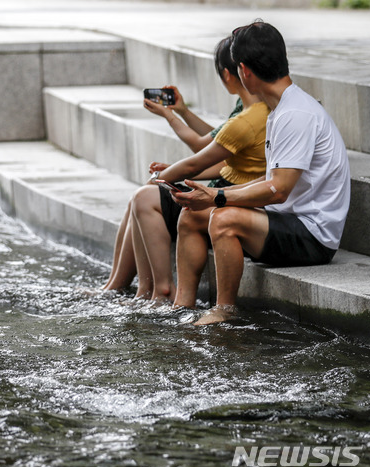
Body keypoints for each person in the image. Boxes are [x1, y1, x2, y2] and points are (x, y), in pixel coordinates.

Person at [172, 21, 350, 325]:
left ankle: (224, 312)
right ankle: (182, 307)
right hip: (287, 218)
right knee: (191, 215)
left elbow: (278, 190)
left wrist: (217, 197)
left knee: (223, 218)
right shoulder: (282, 108)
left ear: (244, 71)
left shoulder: (295, 113)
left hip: (313, 236)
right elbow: (272, 179)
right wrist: (212, 195)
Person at [102, 35, 268, 302]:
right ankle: (116, 286)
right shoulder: (246, 108)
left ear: (230, 74)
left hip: (226, 198)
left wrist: (169, 119)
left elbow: (201, 150)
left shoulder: (250, 117)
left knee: (144, 197)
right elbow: (219, 142)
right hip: (226, 188)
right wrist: (182, 112)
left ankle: (158, 290)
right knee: (140, 198)